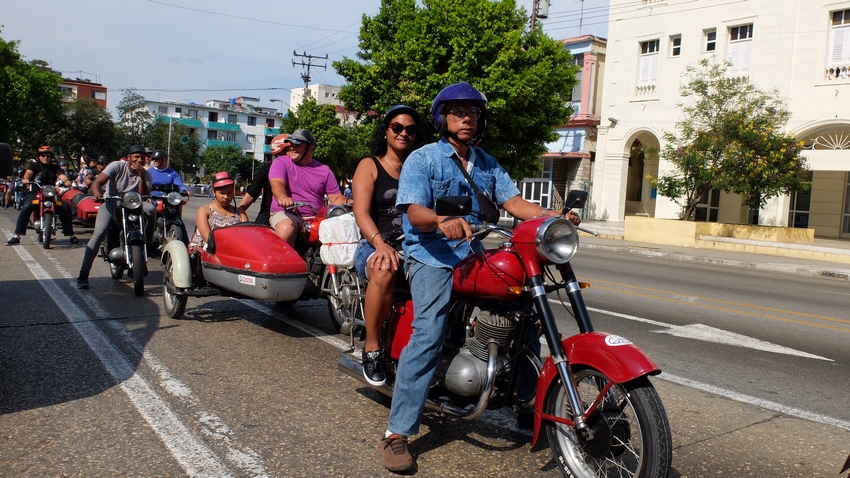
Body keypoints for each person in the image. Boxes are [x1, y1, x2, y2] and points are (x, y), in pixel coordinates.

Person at [379, 82, 581, 472]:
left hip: (473, 253)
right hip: (431, 255)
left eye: (472, 112)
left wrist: (553, 218)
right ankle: (397, 432)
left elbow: (516, 203)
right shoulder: (424, 159)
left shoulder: (487, 163)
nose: (466, 117)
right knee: (429, 332)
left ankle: (527, 399)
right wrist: (441, 221)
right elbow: (414, 212)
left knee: (525, 310)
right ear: (443, 118)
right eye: (457, 112)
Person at [351, 105, 422, 387]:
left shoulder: (420, 166)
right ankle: (372, 347)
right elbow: (361, 213)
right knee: (384, 268)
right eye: (397, 127)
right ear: (386, 130)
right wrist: (380, 244)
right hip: (374, 244)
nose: (403, 133)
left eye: (411, 129)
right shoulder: (370, 165)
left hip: (414, 246)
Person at [76, 145, 155, 289]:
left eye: (142, 158)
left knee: (151, 209)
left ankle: (147, 246)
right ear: (129, 157)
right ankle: (83, 274)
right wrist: (97, 194)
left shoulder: (146, 174)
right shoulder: (117, 166)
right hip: (112, 202)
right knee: (99, 233)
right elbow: (97, 182)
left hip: (133, 205)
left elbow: (144, 194)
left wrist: (141, 175)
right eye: (136, 156)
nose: (139, 160)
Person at [268, 129, 347, 245]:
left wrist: (351, 202)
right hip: (287, 214)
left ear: (310, 148)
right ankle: (284, 261)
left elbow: (336, 198)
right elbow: (277, 184)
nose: (292, 148)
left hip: (315, 216)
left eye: (298, 145)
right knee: (286, 229)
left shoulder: (324, 170)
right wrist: (282, 197)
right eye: (291, 144)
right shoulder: (281, 162)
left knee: (343, 232)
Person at [6, 146, 79, 246]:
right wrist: (26, 180)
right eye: (43, 155)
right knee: (26, 207)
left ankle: (71, 235)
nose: (45, 157)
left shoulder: (55, 167)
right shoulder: (34, 165)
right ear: (39, 157)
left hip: (51, 193)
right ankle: (16, 236)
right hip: (35, 192)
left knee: (64, 207)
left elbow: (62, 175)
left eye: (48, 156)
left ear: (51, 157)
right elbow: (28, 174)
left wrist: (67, 181)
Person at [238, 133, 289, 225]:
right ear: (282, 151)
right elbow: (252, 193)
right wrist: (239, 211)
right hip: (268, 214)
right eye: (291, 149)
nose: (295, 151)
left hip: (296, 215)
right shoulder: (267, 168)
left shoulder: (300, 169)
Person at [189, 171, 248, 250]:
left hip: (234, 251)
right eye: (222, 193)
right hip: (207, 252)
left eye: (229, 193)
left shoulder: (240, 213)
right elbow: (208, 238)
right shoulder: (205, 210)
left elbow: (246, 236)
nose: (226, 197)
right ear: (214, 192)